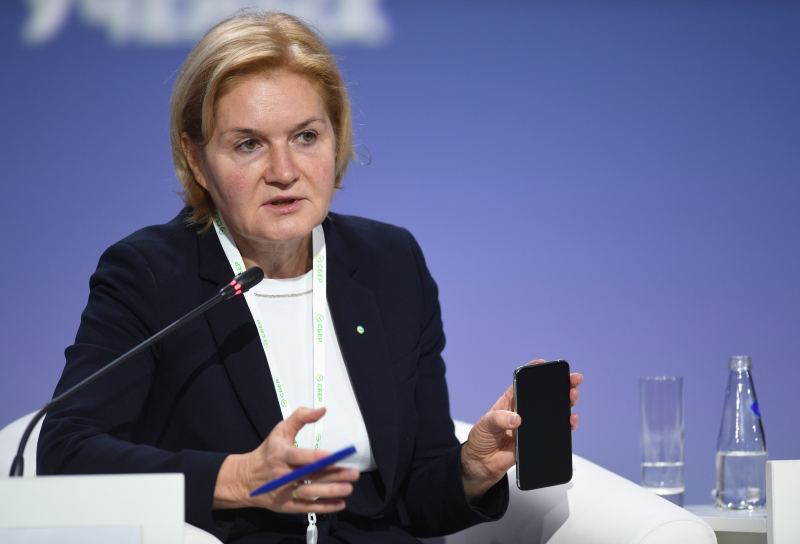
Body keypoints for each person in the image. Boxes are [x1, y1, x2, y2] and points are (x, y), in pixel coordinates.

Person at [37, 11, 583, 544]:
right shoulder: (151, 273)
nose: (283, 172)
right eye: (248, 144)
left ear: (336, 138)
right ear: (196, 159)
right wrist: (238, 479)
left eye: (305, 136)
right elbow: (64, 454)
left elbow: (413, 496)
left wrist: (471, 468)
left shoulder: (390, 262)